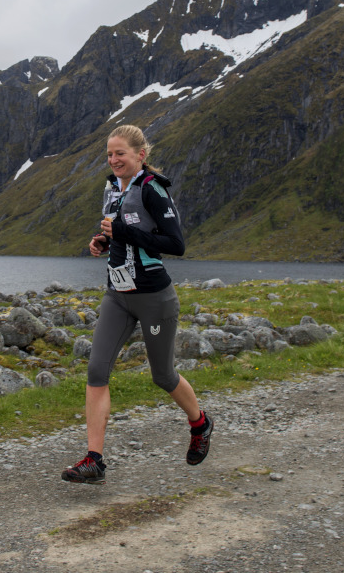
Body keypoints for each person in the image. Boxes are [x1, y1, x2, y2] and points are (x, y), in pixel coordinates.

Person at [61, 124, 212, 484]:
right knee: (97, 372)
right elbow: (118, 233)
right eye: (109, 155)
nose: (113, 160)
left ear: (140, 155)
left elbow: (175, 244)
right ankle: (94, 459)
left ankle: (201, 423)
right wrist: (101, 241)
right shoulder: (112, 189)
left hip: (153, 299)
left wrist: (125, 234)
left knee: (162, 375)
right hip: (117, 295)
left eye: (120, 154)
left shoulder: (152, 189)